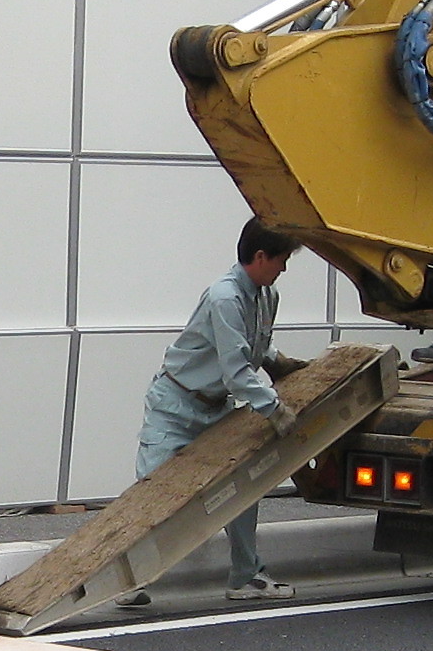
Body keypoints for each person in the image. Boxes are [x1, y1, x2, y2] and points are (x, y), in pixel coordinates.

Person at [125, 219, 308, 608]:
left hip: (216, 406)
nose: (284, 268)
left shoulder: (266, 295)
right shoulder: (224, 297)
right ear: (260, 256)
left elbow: (253, 345)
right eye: (281, 260)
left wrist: (276, 361)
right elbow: (236, 371)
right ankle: (128, 579)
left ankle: (246, 576)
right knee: (150, 491)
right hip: (175, 405)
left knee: (242, 485)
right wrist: (275, 409)